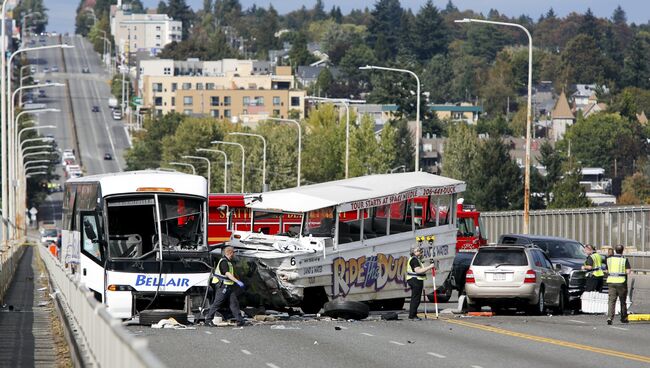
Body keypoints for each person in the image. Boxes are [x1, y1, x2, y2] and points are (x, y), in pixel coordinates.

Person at [205, 246, 245, 327]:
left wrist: (237, 280)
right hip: (222, 286)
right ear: (229, 253)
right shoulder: (223, 261)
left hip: (229, 286)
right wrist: (237, 281)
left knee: (234, 303)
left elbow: (231, 273)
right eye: (233, 252)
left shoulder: (229, 262)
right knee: (217, 303)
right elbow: (227, 273)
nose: (234, 254)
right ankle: (208, 320)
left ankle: (240, 320)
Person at [407, 246, 435, 320]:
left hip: (415, 280)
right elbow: (418, 271)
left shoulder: (416, 259)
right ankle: (412, 315)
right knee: (416, 299)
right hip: (415, 280)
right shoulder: (414, 260)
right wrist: (430, 267)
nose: (420, 252)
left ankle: (412, 315)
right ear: (414, 252)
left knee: (415, 298)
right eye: (418, 251)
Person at [606, 244, 631, 325]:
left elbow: (607, 270)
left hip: (611, 282)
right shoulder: (624, 259)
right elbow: (628, 271)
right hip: (621, 282)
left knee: (611, 300)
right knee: (622, 301)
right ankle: (623, 318)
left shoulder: (609, 259)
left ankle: (610, 317)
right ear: (622, 250)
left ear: (615, 250)